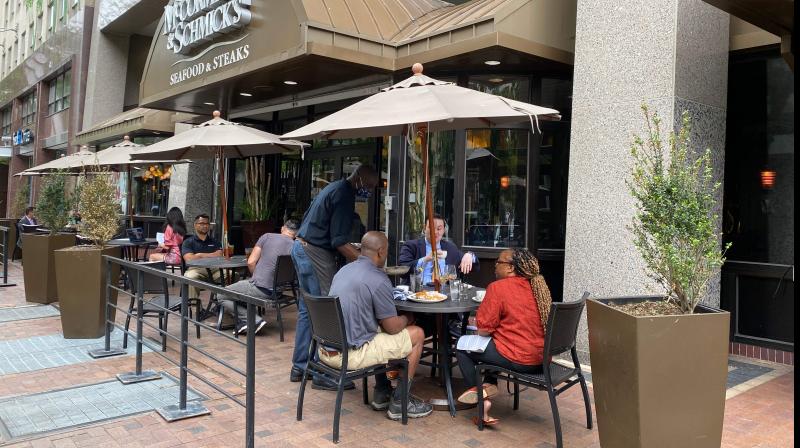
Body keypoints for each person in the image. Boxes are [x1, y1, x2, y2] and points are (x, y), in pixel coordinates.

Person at [321, 231, 432, 420]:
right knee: (417, 334)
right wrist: (408, 318)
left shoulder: (344, 270)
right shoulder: (378, 278)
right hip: (348, 355)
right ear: (380, 251)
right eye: (387, 251)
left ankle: (382, 391)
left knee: (378, 331)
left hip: (325, 349)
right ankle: (399, 402)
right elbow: (392, 328)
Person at [289, 164, 379, 390]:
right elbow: (338, 241)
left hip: (300, 247)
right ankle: (323, 372)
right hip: (314, 253)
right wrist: (365, 262)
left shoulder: (333, 188)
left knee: (307, 310)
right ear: (359, 178)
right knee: (328, 310)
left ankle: (300, 366)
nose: (368, 190)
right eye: (368, 185)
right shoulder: (344, 194)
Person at [455, 248, 552, 426]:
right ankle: (489, 384)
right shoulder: (539, 287)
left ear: (510, 268)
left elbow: (484, 328)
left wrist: (477, 324)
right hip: (542, 358)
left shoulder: (498, 288)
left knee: (462, 346)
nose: (495, 266)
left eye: (498, 262)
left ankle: (480, 402)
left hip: (519, 359)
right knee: (496, 342)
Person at [218, 219, 299, 335]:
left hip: (261, 289)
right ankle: (245, 320)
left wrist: (256, 278)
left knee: (220, 294)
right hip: (278, 291)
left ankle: (254, 320)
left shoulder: (267, 237)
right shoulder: (296, 247)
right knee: (241, 289)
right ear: (296, 234)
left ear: (282, 228)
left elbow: (251, 262)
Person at [398, 214, 477, 285]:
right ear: (424, 228)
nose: (435, 232)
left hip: (443, 294)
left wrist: (470, 255)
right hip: (418, 293)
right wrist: (425, 259)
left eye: (439, 229)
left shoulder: (450, 248)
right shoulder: (411, 245)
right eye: (432, 228)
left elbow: (475, 267)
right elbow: (402, 269)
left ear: (443, 230)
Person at [181, 214, 223, 300]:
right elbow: (189, 259)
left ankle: (224, 304)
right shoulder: (188, 242)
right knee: (190, 277)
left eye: (207, 224)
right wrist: (211, 255)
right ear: (195, 225)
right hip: (195, 270)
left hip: (214, 270)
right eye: (201, 223)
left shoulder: (215, 241)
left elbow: (219, 255)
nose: (204, 226)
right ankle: (195, 308)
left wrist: (199, 255)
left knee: (233, 275)